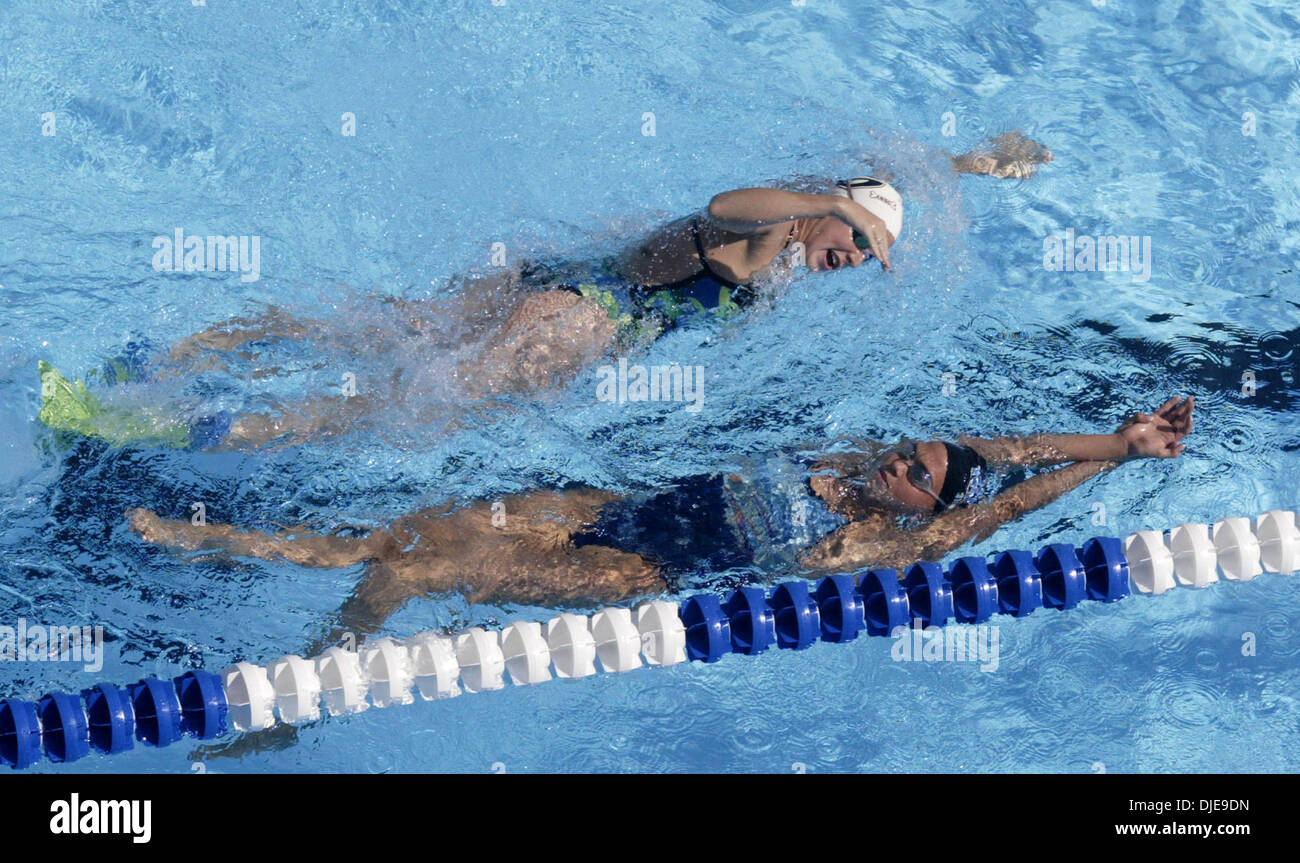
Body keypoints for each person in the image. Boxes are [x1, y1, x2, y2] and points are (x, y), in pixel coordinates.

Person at [40, 132, 1053, 450]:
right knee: (401, 411)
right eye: (857, 244)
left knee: (369, 329)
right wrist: (838, 201)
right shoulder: (764, 225)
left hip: (559, 290)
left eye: (866, 260)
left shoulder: (792, 245)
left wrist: (960, 169)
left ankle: (172, 363)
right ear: (829, 211)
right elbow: (720, 197)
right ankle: (181, 427)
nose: (852, 262)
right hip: (576, 323)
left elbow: (858, 175)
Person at [126, 396, 1192, 640]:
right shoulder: (849, 460)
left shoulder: (892, 536)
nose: (899, 460)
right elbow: (992, 452)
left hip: (633, 570)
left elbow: (1006, 490)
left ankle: (315, 669)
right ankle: (211, 539)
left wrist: (1105, 468)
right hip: (616, 505)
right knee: (407, 526)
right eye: (910, 450)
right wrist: (1117, 433)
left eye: (915, 469)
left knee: (419, 569)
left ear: (924, 504)